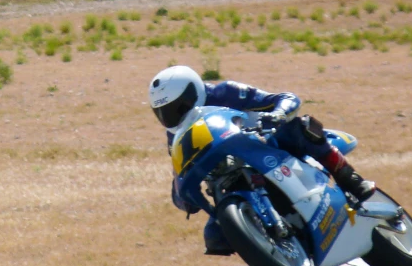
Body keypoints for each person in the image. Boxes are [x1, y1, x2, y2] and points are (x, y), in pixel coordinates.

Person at [148, 65, 375, 255]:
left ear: (194, 91)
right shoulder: (175, 137)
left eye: (179, 107)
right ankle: (274, 250)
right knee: (215, 237)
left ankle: (349, 178)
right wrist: (183, 197)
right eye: (164, 112)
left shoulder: (225, 92)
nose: (173, 116)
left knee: (302, 127)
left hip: (268, 146)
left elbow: (286, 98)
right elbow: (179, 174)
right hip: (233, 177)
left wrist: (277, 114)